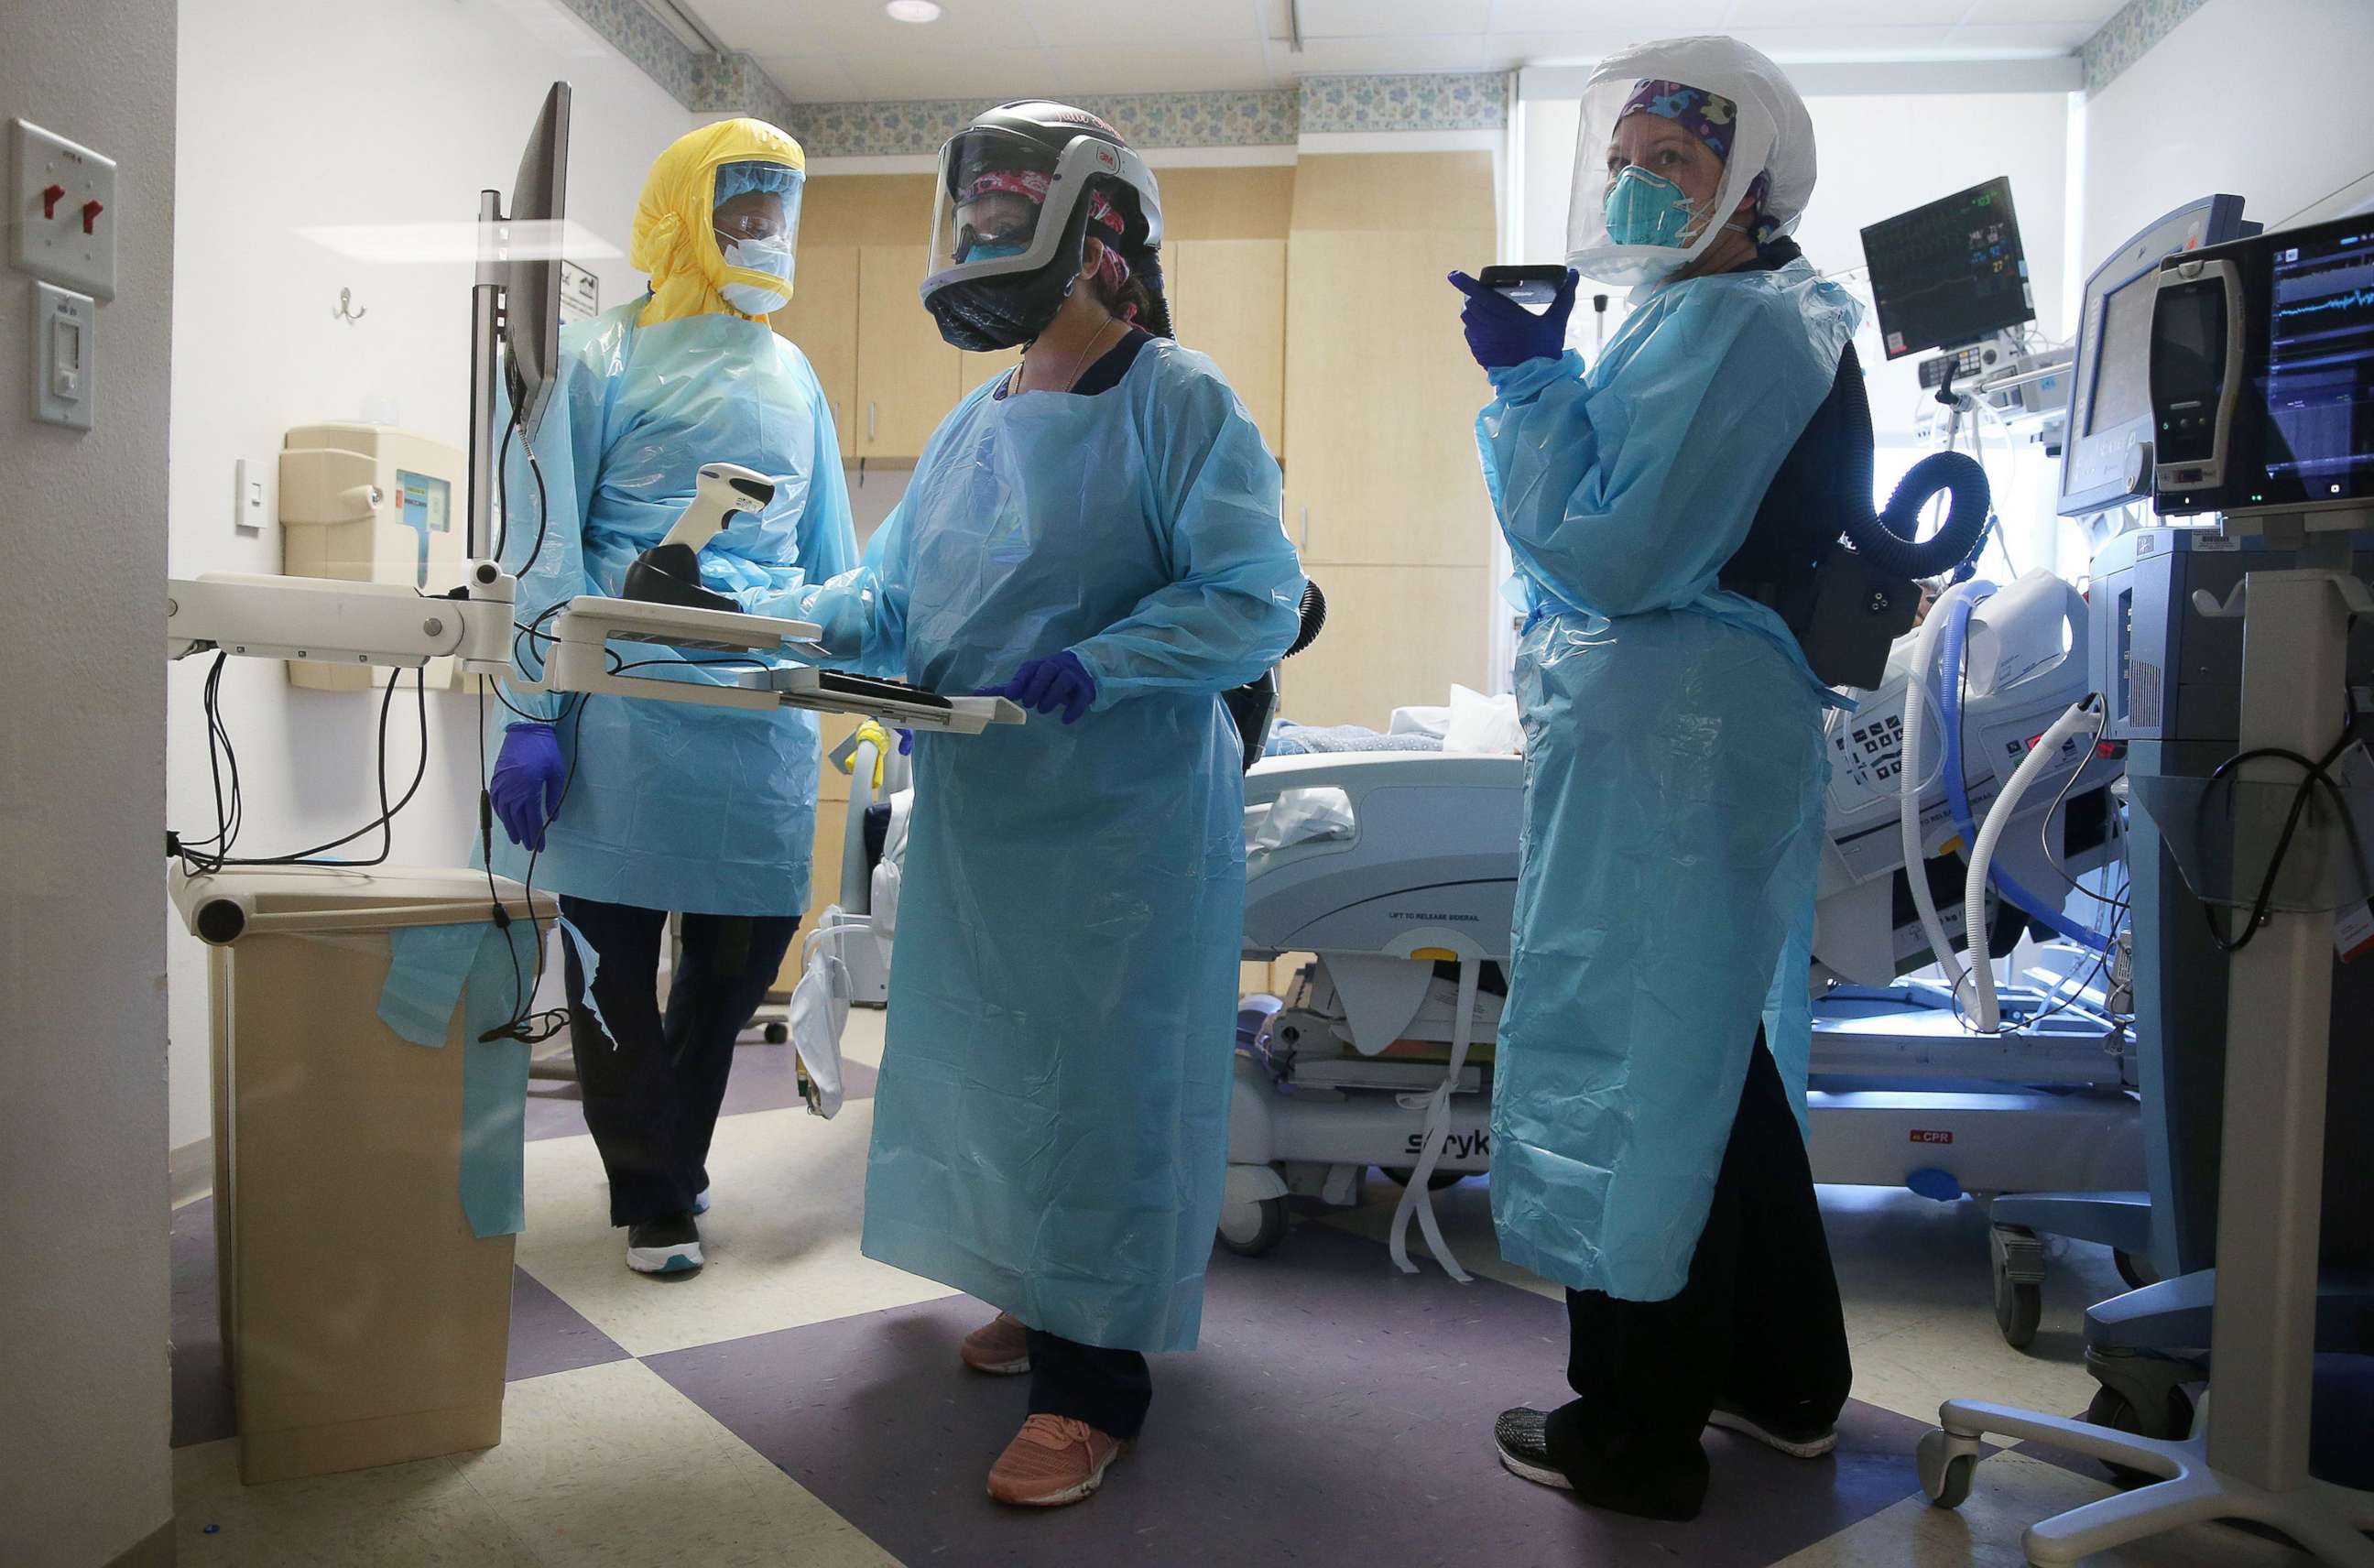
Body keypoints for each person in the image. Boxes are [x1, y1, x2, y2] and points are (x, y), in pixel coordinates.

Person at [794, 101, 1304, 1508]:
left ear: (1100, 229)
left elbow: (1253, 597)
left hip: (1122, 817)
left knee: (1102, 1087)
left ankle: (1095, 1386)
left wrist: (1108, 661)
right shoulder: (974, 420)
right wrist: (770, 626)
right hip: (985, 814)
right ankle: (1036, 1283)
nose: (983, 234)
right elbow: (890, 598)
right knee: (996, 1064)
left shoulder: (1177, 399)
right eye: (975, 208)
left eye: (1012, 208)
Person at [1445, 36, 1859, 1521]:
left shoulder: (1748, 322)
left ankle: (1632, 1431)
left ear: (1746, 187)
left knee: (1638, 1075)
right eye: (1620, 162)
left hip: (1676, 736)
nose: (1631, 188)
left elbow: (1618, 554)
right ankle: (1782, 1375)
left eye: (1667, 165)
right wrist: (1559, 388)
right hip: (1681, 732)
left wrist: (1530, 392)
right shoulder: (1710, 314)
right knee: (1707, 1066)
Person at [484, 118, 855, 1278]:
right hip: (627, 705)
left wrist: (866, 673)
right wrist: (531, 715)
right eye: (740, 208)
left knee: (742, 959)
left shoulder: (795, 374)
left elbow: (839, 553)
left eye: (777, 211)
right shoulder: (597, 356)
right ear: (683, 215)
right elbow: (541, 541)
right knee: (610, 958)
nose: (763, 232)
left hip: (758, 713)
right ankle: (652, 1190)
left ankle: (671, 1159)